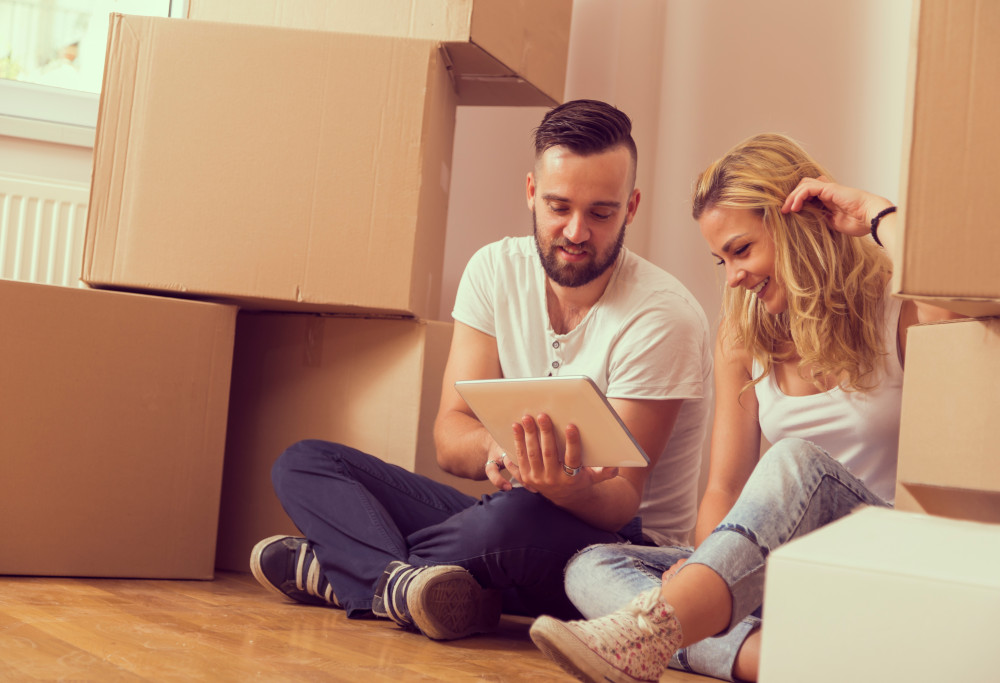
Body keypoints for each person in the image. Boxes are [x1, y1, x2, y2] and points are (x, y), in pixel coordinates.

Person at [248, 99, 713, 642]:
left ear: (631, 208)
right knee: (304, 463)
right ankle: (405, 586)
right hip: (508, 514)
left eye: (601, 213)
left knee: (508, 520)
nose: (576, 231)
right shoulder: (493, 270)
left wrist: (561, 487)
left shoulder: (663, 315)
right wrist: (498, 451)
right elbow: (451, 436)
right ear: (531, 193)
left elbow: (619, 503)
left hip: (621, 552)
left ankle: (347, 568)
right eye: (559, 206)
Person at [528, 132, 962, 682]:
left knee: (796, 461)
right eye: (721, 259)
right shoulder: (743, 334)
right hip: (788, 574)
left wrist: (876, 213)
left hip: (882, 560)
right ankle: (801, 664)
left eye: (741, 249)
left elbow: (955, 304)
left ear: (797, 229)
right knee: (591, 567)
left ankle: (655, 635)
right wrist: (708, 563)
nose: (732, 275)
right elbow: (724, 490)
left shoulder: (898, 314)